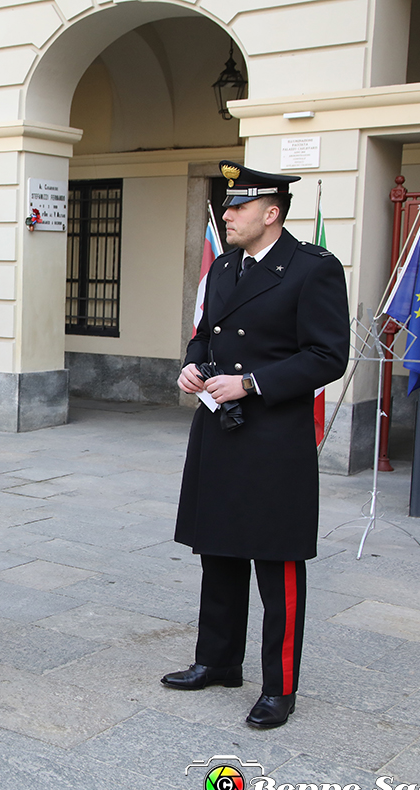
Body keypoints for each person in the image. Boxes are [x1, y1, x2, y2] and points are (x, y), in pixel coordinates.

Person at [161, 161, 349, 728]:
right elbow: (204, 335)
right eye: (227, 206)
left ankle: (279, 687)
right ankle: (217, 661)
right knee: (218, 552)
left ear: (271, 213)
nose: (228, 213)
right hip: (220, 431)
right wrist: (192, 368)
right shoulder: (223, 267)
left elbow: (326, 356)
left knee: (277, 562)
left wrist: (250, 383)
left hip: (272, 438)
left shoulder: (312, 268)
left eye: (238, 207)